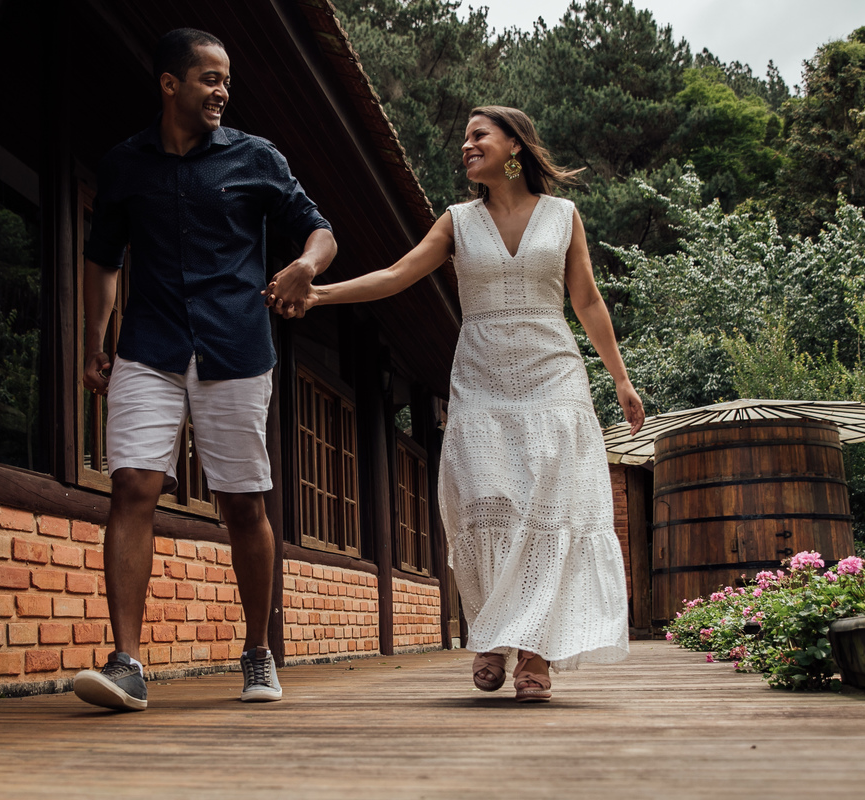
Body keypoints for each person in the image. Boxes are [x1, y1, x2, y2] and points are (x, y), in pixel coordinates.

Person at [267, 106, 643, 702]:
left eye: (478, 135)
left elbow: (588, 301)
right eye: (464, 139)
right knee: (487, 501)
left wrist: (620, 379)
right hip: (483, 379)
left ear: (514, 144)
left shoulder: (563, 216)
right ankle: (493, 632)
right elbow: (396, 274)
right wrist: (318, 295)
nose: (466, 146)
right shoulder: (458, 221)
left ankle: (534, 656)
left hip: (555, 378)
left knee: (548, 508)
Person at [72, 28, 337, 711]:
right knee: (132, 484)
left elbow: (320, 229)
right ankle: (127, 662)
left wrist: (305, 265)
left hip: (237, 349)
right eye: (209, 79)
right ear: (170, 83)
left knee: (242, 503)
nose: (222, 91)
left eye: (226, 81)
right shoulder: (126, 164)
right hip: (148, 347)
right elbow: (103, 261)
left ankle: (257, 650)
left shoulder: (257, 158)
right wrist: (93, 340)